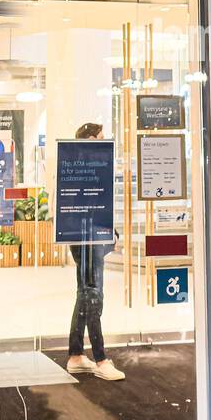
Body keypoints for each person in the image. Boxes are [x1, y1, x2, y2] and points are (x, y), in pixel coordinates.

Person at [67, 123, 124, 381]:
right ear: (91, 139)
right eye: (101, 138)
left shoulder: (81, 168)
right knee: (93, 297)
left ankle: (76, 356)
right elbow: (90, 206)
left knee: (84, 295)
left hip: (88, 238)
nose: (105, 142)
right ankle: (101, 359)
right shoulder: (85, 170)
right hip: (87, 240)